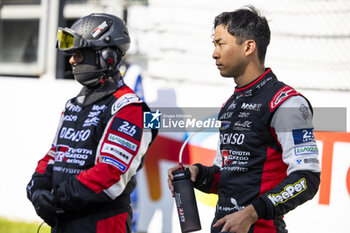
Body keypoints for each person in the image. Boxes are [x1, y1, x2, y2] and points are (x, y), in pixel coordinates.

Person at [168, 6, 320, 233]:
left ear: (249, 47)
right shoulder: (230, 104)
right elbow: (226, 176)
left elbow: (307, 178)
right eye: (214, 45)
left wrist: (252, 213)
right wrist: (197, 174)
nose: (214, 53)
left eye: (221, 44)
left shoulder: (286, 103)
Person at [26, 13, 157, 233]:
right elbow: (54, 154)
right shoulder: (74, 104)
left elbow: (110, 174)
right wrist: (38, 187)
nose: (71, 60)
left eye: (78, 53)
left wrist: (57, 198)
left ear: (107, 56)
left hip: (102, 224)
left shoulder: (129, 108)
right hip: (65, 220)